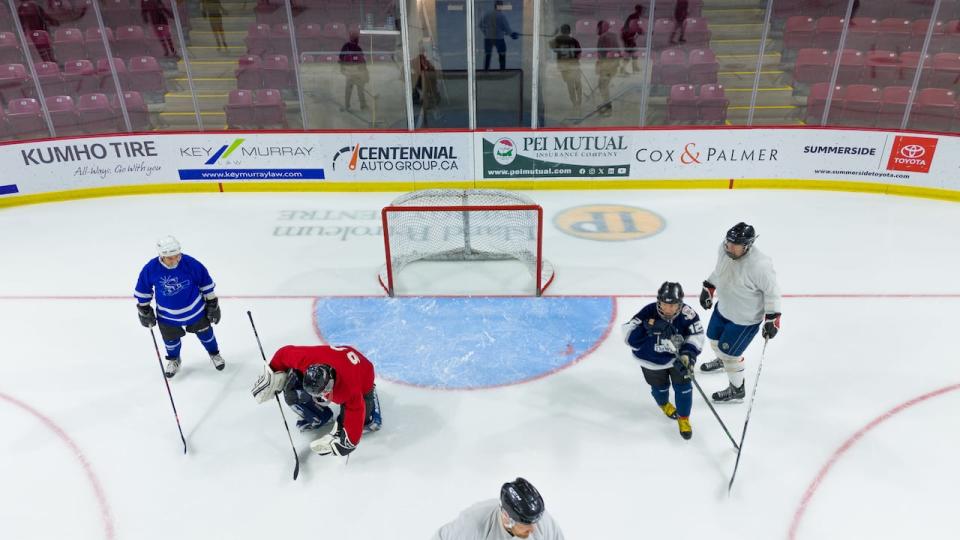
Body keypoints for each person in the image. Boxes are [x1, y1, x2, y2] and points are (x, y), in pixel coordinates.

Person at [698, 222, 782, 402]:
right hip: (723, 309)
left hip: (744, 319)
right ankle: (723, 360)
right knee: (713, 340)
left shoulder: (760, 265)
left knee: (731, 355)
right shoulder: (724, 249)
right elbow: (721, 269)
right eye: (728, 243)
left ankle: (737, 389)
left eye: (735, 245)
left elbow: (772, 292)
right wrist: (709, 287)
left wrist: (772, 319)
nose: (730, 247)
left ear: (748, 246)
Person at [251, 344, 382, 457]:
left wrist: (349, 442)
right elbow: (284, 354)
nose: (322, 397)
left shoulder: (348, 390)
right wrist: (273, 372)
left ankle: (371, 400)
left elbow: (356, 410)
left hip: (363, 371)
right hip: (338, 359)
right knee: (292, 388)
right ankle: (321, 417)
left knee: (365, 421)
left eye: (324, 392)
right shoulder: (306, 360)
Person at [622, 282, 704, 439]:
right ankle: (664, 404)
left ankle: (684, 418)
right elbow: (629, 337)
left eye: (673, 305)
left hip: (677, 360)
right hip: (651, 361)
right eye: (665, 304)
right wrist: (647, 327)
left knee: (684, 389)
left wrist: (688, 355)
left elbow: (697, 335)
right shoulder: (648, 312)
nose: (669, 309)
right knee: (660, 390)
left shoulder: (687, 314)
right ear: (659, 301)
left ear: (680, 303)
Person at [134, 236, 224, 378]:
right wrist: (144, 309)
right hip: (167, 316)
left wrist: (212, 303)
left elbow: (205, 281)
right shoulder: (151, 268)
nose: (175, 260)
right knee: (171, 343)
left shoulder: (190, 263)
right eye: (170, 258)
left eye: (177, 256)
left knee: (207, 336)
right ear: (161, 256)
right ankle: (174, 360)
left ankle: (215, 354)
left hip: (196, 312)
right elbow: (143, 288)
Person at [431, 477, 565, 540]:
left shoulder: (542, 522)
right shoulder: (473, 525)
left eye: (535, 522)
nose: (533, 528)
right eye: (525, 524)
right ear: (507, 518)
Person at [478, 0, 518, 71]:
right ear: (500, 6)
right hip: (499, 39)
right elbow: (507, 28)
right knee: (502, 53)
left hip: (488, 38)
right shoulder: (501, 16)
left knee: (488, 54)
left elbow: (480, 25)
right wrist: (512, 34)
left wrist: (486, 32)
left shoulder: (487, 14)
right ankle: (502, 71)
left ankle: (486, 71)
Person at [549, 24, 582, 109]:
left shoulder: (557, 40)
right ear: (569, 31)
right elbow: (579, 53)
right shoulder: (574, 40)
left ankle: (574, 103)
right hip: (574, 66)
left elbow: (551, 45)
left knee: (570, 85)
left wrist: (555, 35)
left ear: (561, 31)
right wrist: (576, 61)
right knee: (578, 83)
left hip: (564, 67)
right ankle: (579, 101)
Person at [339, 30, 369, 111]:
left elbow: (341, 59)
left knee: (350, 90)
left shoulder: (348, 46)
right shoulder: (357, 48)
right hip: (355, 72)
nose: (357, 40)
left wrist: (343, 69)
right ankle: (362, 106)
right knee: (358, 91)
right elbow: (363, 64)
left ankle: (348, 106)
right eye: (356, 38)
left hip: (352, 72)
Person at [595, 20, 619, 116]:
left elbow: (606, 53)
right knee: (603, 86)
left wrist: (601, 66)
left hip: (607, 66)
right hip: (612, 65)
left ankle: (608, 108)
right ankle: (606, 105)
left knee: (603, 86)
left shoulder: (603, 37)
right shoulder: (613, 36)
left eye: (599, 27)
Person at [620, 4, 644, 73]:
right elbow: (633, 27)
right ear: (637, 10)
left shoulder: (635, 16)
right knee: (629, 53)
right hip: (627, 36)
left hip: (628, 36)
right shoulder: (634, 17)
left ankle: (634, 67)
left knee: (634, 52)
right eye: (640, 10)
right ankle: (623, 68)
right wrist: (640, 30)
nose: (641, 11)